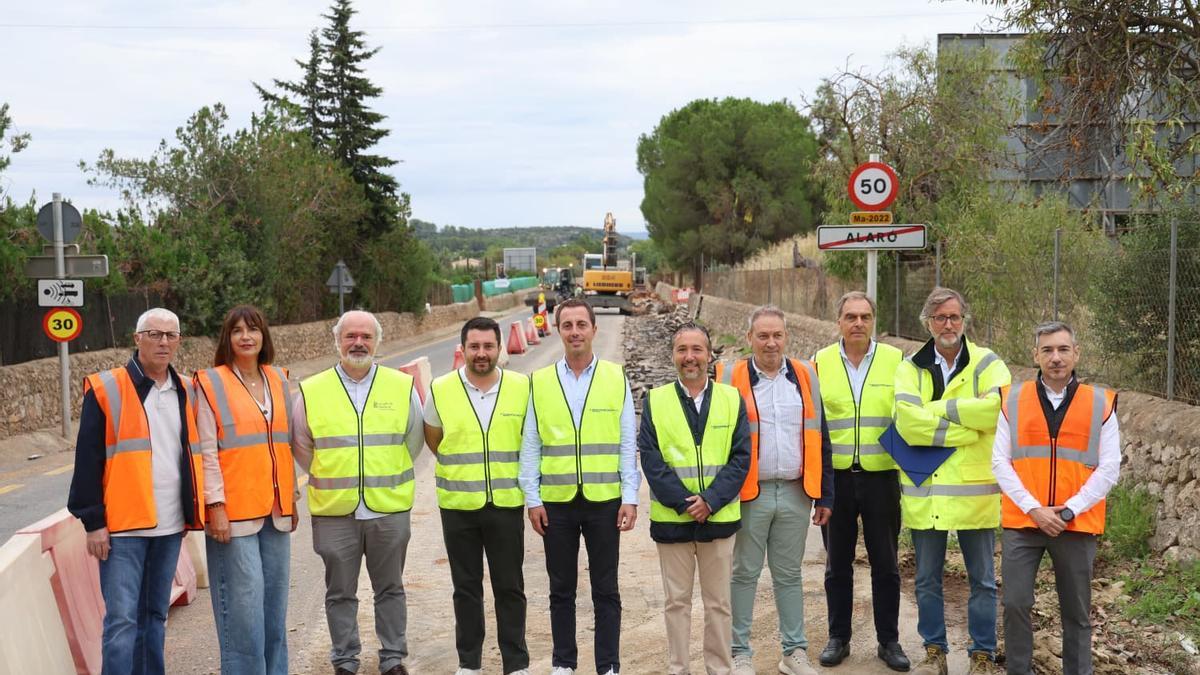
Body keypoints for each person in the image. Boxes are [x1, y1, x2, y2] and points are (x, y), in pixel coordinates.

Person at [67, 307, 205, 675]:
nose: (163, 342)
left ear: (178, 342)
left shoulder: (188, 389)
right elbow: (88, 459)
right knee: (122, 621)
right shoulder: (107, 388)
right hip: (123, 528)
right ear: (137, 338)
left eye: (170, 335)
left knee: (155, 616)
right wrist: (93, 521)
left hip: (170, 525)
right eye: (155, 334)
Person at [291, 310, 424, 675]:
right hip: (336, 511)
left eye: (366, 336)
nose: (358, 343)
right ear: (337, 341)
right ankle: (345, 660)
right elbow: (303, 447)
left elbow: (412, 441)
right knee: (339, 593)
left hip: (388, 509)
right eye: (350, 336)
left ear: (377, 341)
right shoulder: (313, 391)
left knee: (391, 589)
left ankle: (393, 658)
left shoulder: (401, 386)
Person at [519, 298, 640, 675]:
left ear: (593, 329)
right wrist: (533, 498)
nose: (574, 332)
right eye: (567, 325)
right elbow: (531, 444)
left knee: (606, 589)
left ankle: (608, 665)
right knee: (561, 590)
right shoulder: (539, 381)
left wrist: (631, 497)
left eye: (581, 325)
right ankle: (564, 664)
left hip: (605, 501)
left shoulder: (614, 376)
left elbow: (625, 442)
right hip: (556, 503)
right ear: (558, 330)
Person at [894, 288, 1011, 675]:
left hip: (975, 494)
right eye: (941, 317)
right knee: (927, 580)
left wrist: (939, 409)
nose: (949, 324)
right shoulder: (910, 366)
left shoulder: (987, 362)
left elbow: (995, 411)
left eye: (955, 317)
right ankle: (935, 654)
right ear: (928, 322)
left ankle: (982, 656)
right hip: (927, 493)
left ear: (965, 321)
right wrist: (964, 430)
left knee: (983, 581)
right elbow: (907, 423)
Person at [992, 321, 1120, 675]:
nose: (1056, 357)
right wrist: (1035, 509)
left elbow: (1109, 468)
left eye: (1063, 349)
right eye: (1047, 350)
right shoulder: (1012, 399)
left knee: (1076, 613)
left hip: (1076, 524)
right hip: (1024, 522)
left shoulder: (1101, 403)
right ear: (1035, 355)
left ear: (1076, 353)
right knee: (1015, 604)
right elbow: (999, 462)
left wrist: (1067, 511)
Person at [715, 305, 834, 675]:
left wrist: (825, 494)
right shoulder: (730, 376)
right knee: (744, 573)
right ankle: (739, 653)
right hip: (750, 493)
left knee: (789, 574)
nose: (771, 343)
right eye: (763, 336)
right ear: (749, 338)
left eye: (777, 335)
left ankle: (793, 652)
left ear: (787, 337)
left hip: (797, 492)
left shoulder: (805, 375)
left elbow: (821, 436)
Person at [639, 323, 750, 675]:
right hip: (674, 522)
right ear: (673, 355)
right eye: (682, 350)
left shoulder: (732, 399)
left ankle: (719, 668)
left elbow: (741, 457)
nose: (690, 357)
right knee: (677, 602)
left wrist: (711, 501)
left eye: (697, 349)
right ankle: (678, 668)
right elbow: (651, 460)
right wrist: (688, 503)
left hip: (718, 520)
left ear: (709, 355)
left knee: (719, 603)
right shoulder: (655, 401)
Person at [193, 305, 298, 675]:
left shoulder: (278, 379)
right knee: (244, 615)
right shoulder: (210, 383)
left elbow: (284, 443)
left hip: (275, 510)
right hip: (233, 515)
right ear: (228, 338)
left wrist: (292, 496)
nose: (246, 336)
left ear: (264, 335)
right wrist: (215, 505)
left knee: (274, 613)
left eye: (253, 329)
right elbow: (206, 450)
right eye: (237, 330)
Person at [424, 317, 531, 675]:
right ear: (463, 348)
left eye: (488, 346)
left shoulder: (521, 387)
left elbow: (529, 442)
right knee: (466, 589)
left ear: (500, 348)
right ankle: (469, 664)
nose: (481, 353)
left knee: (510, 587)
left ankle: (515, 664)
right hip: (458, 506)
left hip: (506, 503)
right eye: (474, 346)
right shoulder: (440, 388)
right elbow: (434, 439)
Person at [813, 291, 910, 671]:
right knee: (837, 565)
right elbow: (812, 423)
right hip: (835, 480)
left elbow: (909, 414)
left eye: (865, 317)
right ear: (838, 322)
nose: (858, 323)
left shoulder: (895, 360)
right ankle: (839, 638)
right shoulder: (819, 362)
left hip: (881, 475)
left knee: (885, 564)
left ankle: (889, 641)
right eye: (850, 316)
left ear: (873, 321)